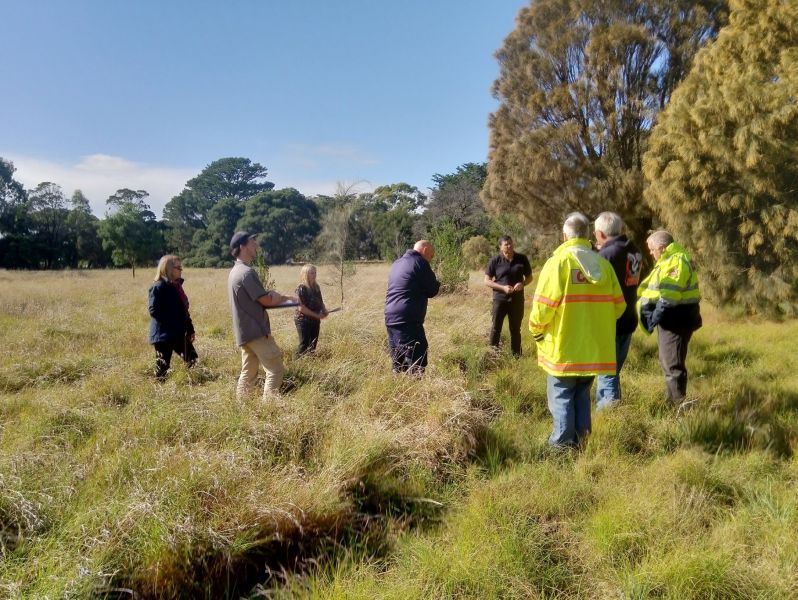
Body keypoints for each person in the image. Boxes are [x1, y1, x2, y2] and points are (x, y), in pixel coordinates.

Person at [529, 213, 625, 447]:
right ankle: (582, 442)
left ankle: (561, 448)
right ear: (587, 235)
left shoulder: (558, 264)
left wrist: (536, 331)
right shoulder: (603, 265)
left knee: (561, 396)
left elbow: (542, 309)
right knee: (582, 395)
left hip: (563, 349)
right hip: (592, 350)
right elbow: (619, 307)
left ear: (565, 236)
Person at [228, 231, 298, 400]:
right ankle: (270, 408)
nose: (256, 246)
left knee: (249, 372)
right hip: (256, 332)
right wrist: (276, 295)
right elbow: (266, 300)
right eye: (253, 243)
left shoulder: (234, 271)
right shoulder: (246, 273)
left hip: (244, 333)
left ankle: (242, 407)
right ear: (243, 247)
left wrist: (286, 298)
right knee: (275, 369)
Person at [638, 230, 702, 408]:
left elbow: (669, 297)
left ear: (662, 248)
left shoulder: (675, 262)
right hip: (673, 320)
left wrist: (654, 317)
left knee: (672, 364)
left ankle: (678, 406)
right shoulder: (670, 259)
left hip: (676, 320)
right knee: (668, 361)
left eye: (652, 250)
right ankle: (673, 401)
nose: (650, 253)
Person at [593, 212, 643, 409]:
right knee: (613, 371)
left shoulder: (607, 255)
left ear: (600, 234)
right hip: (629, 317)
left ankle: (609, 417)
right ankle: (615, 410)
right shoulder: (634, 250)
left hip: (610, 321)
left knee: (606, 373)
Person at [384, 240, 441, 374]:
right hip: (407, 319)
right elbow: (432, 290)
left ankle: (397, 390)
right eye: (431, 256)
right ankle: (415, 391)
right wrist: (437, 282)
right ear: (425, 250)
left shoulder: (397, 263)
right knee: (417, 359)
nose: (431, 260)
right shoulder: (420, 262)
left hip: (390, 318)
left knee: (398, 362)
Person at [148, 255, 198, 380]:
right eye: (178, 267)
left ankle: (189, 383)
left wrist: (190, 329)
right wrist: (174, 324)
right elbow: (154, 310)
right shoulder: (158, 287)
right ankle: (158, 396)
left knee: (192, 359)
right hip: (163, 336)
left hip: (177, 333)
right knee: (162, 370)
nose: (181, 270)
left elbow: (183, 311)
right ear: (169, 269)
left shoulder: (176, 287)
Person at [484, 235, 533, 357]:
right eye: (506, 244)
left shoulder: (522, 259)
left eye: (511, 243)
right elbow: (487, 281)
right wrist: (503, 288)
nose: (509, 246)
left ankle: (516, 356)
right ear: (500, 247)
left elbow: (530, 277)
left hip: (517, 300)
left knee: (515, 329)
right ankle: (493, 356)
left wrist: (522, 284)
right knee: (496, 328)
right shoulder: (495, 261)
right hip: (499, 300)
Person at [294, 263, 328, 355]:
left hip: (315, 320)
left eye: (315, 272)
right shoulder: (301, 288)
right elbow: (301, 308)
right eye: (312, 273)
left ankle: (310, 363)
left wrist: (324, 310)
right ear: (305, 274)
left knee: (313, 345)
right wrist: (317, 315)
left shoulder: (316, 287)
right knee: (304, 345)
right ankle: (297, 364)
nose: (314, 275)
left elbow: (320, 302)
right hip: (303, 320)